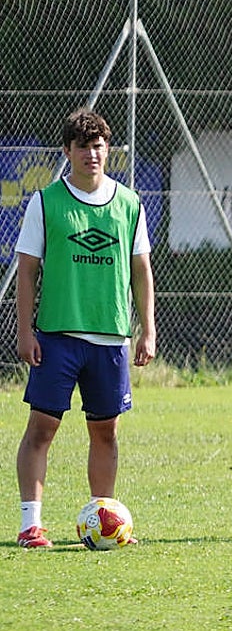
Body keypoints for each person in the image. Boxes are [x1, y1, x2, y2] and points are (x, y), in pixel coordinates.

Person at [15, 108, 156, 548]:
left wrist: (147, 329)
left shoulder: (129, 203)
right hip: (57, 335)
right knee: (42, 426)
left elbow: (141, 271)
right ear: (67, 152)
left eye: (98, 146)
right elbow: (26, 272)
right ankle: (30, 524)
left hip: (110, 336)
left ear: (108, 150)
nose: (91, 154)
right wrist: (24, 331)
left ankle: (105, 518)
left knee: (106, 430)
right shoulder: (46, 202)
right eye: (82, 146)